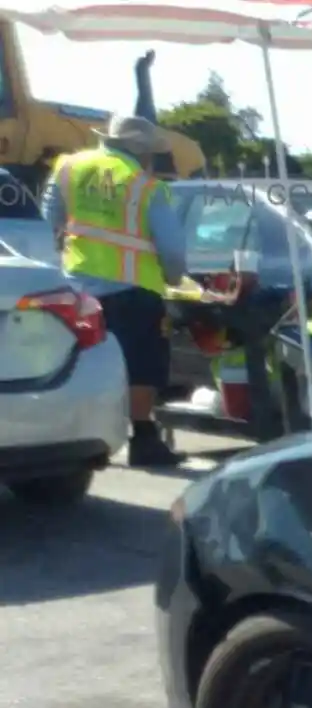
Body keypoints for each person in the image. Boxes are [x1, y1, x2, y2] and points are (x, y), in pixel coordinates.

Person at [42, 113, 189, 467]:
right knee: (142, 364)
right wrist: (174, 278)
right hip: (132, 289)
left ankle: (73, 434)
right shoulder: (145, 185)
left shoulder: (67, 168)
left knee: (81, 361)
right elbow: (171, 250)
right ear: (141, 151)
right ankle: (144, 438)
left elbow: (47, 222)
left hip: (76, 289)